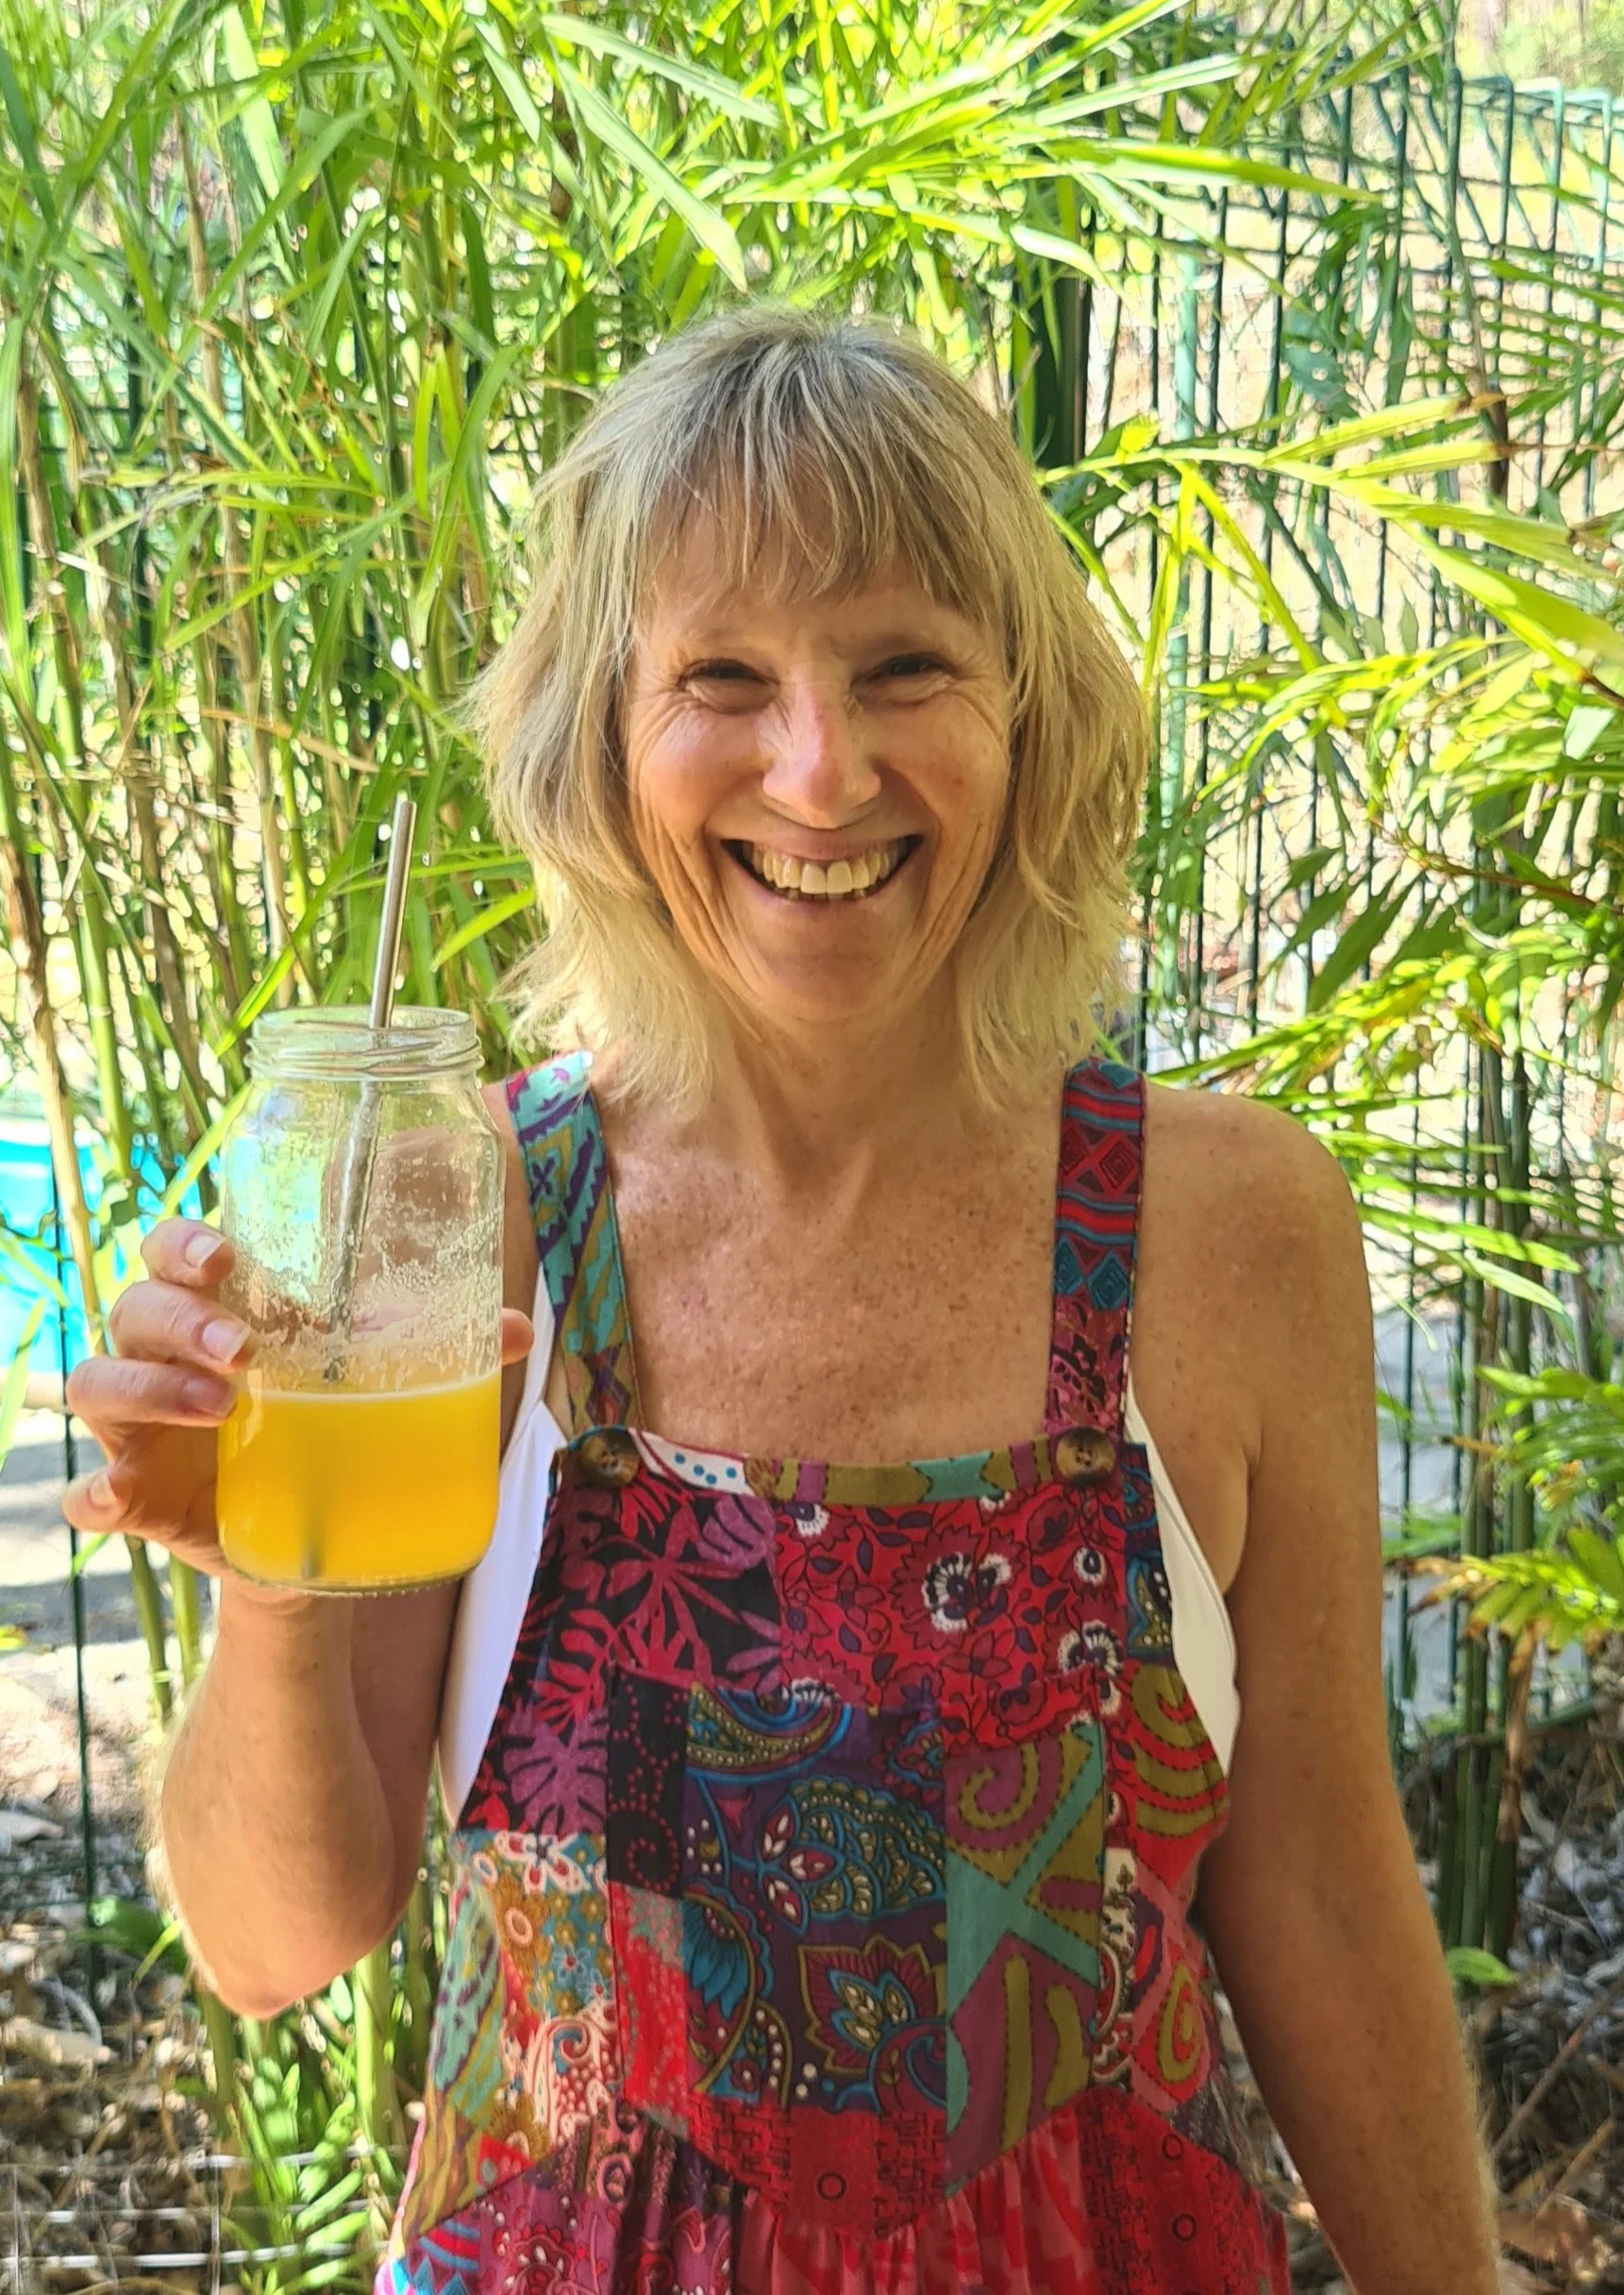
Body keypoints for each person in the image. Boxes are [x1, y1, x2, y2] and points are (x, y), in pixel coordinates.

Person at [67, 306, 1501, 2295]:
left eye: (901, 664)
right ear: (603, 741)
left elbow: (1323, 1890)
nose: (816, 773)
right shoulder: (452, 1216)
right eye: (720, 679)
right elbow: (268, 1940)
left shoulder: (1227, 1233)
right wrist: (269, 1572)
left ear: (1028, 714)